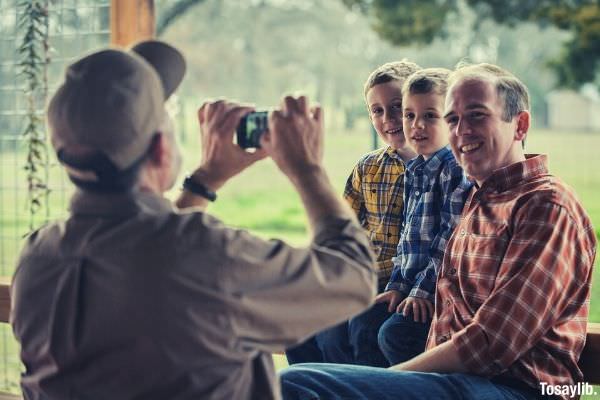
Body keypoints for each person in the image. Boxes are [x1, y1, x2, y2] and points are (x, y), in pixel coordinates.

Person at [9, 41, 378, 400]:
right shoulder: (206, 255)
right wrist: (306, 168)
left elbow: (146, 256)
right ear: (161, 148)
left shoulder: (38, 257)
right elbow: (354, 276)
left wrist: (205, 180)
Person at [280, 63, 597, 400]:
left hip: (515, 389)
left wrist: (387, 380)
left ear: (520, 125)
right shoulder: (480, 197)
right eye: (453, 119)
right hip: (459, 381)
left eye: (476, 116)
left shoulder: (545, 205)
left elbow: (490, 345)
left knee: (297, 383)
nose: (462, 131)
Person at [285, 61, 421, 367]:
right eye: (377, 110)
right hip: (361, 274)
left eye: (397, 107)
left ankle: (352, 386)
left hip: (401, 280)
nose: (388, 119)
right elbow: (343, 229)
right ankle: (311, 385)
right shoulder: (368, 167)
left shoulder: (438, 168)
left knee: (359, 327)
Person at [376, 68, 472, 365]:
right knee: (354, 321)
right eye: (409, 116)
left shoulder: (456, 169)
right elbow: (407, 239)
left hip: (434, 290)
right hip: (409, 285)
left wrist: (419, 291)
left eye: (430, 116)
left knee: (393, 334)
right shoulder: (416, 168)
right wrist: (396, 285)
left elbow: (448, 240)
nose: (416, 125)